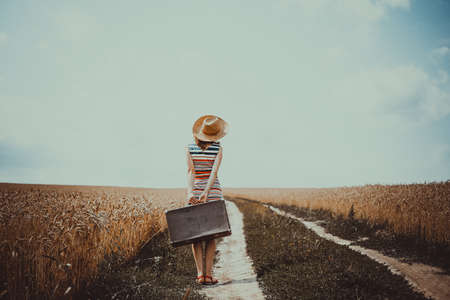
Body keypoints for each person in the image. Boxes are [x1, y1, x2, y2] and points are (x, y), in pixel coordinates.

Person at [185, 114, 229, 285]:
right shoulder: (218, 148)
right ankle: (209, 275)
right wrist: (207, 191)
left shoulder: (189, 148)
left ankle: (200, 275)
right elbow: (214, 173)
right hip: (213, 191)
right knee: (211, 236)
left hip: (195, 191)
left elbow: (191, 172)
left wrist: (191, 193)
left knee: (195, 236)